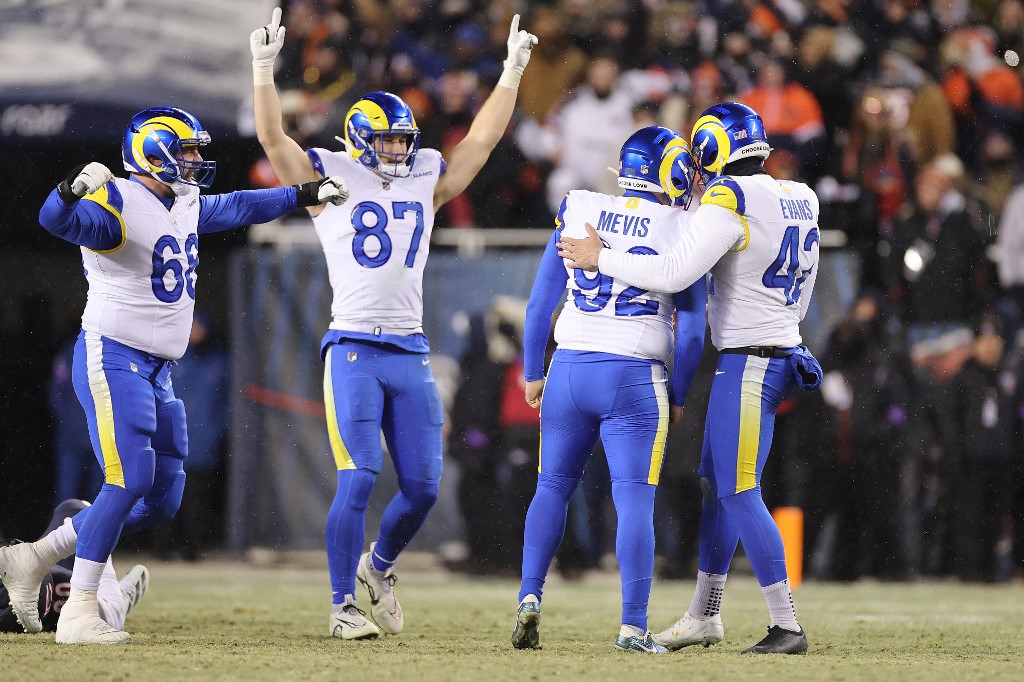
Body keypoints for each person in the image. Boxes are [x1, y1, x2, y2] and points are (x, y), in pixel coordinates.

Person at [0, 105, 349, 645]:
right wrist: (69, 189)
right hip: (114, 356)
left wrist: (303, 194)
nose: (196, 159)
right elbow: (56, 221)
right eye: (186, 149)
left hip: (159, 370)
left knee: (162, 497)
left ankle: (38, 556)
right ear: (153, 150)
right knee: (129, 479)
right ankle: (80, 612)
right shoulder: (115, 201)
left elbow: (236, 205)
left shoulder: (181, 201)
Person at [248, 8, 538, 640]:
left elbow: (480, 143)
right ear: (358, 139)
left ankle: (376, 571)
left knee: (425, 489)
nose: (399, 150)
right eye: (387, 140)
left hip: (408, 351)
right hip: (352, 346)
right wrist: (264, 69)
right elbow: (274, 142)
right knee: (357, 479)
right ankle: (341, 607)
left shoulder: (425, 176)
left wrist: (511, 73)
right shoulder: (332, 175)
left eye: (405, 139)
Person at [557, 102, 823, 655]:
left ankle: (787, 623)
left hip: (749, 360)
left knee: (739, 489)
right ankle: (705, 612)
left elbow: (675, 271)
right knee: (715, 484)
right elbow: (807, 276)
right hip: (775, 351)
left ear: (712, 151)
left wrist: (600, 257)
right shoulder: (800, 194)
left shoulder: (731, 198)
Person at [511, 126, 706, 654]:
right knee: (634, 501)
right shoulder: (687, 225)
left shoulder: (580, 208)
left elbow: (537, 305)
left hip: (569, 368)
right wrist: (682, 393)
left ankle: (530, 598)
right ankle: (632, 625)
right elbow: (690, 330)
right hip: (633, 375)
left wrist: (534, 370)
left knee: (551, 486)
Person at [1, 500, 148, 634]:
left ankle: (112, 601)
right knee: (111, 616)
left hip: (29, 576)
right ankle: (115, 601)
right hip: (33, 597)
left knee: (75, 509)